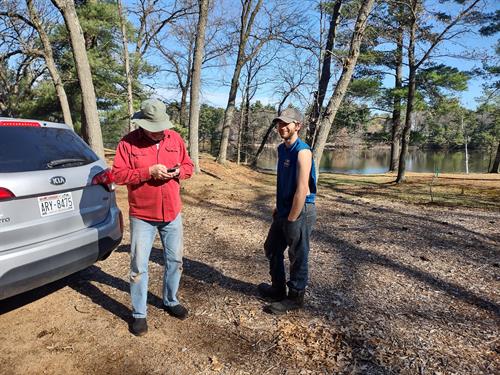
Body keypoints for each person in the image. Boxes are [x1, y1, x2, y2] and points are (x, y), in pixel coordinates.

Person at [112, 98, 194, 336]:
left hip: (172, 213)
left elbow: (189, 165)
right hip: (142, 215)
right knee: (139, 265)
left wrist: (180, 171)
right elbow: (117, 174)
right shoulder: (127, 144)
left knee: (175, 261)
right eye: (154, 128)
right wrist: (147, 172)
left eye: (162, 127)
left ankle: (170, 300)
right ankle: (139, 314)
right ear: (142, 124)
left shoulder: (174, 138)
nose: (159, 133)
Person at [258, 107, 317, 315]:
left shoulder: (303, 152)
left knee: (297, 254)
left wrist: (291, 218)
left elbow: (302, 189)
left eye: (286, 123)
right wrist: (279, 206)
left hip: (300, 210)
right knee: (272, 247)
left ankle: (295, 297)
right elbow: (284, 182)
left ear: (297, 126)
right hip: (284, 208)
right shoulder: (281, 149)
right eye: (279, 123)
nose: (281, 127)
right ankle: (277, 289)